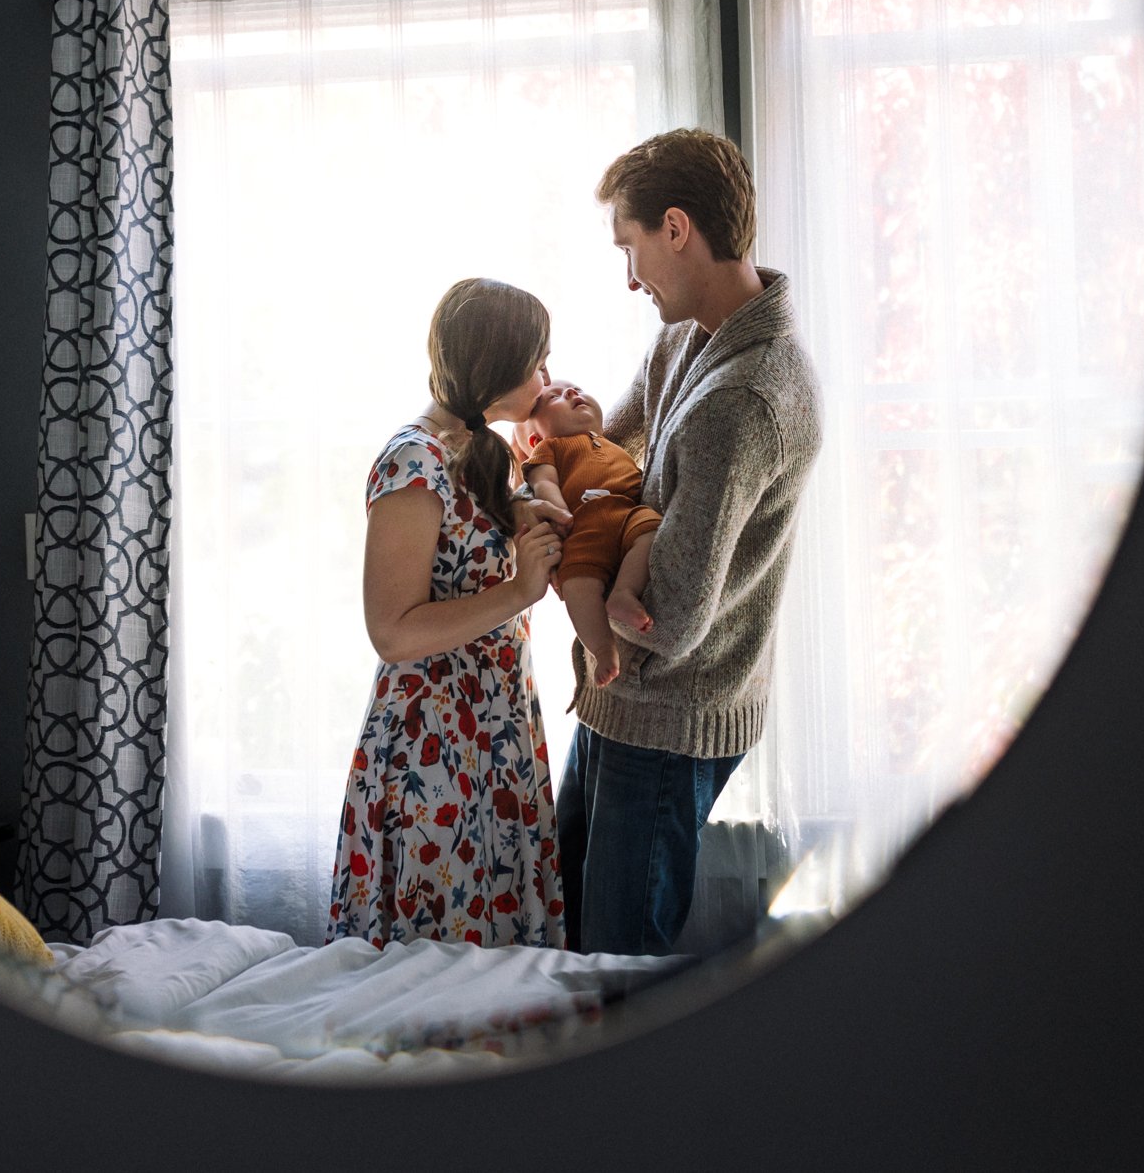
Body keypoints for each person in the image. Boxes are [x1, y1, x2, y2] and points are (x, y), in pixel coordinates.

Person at [555, 128, 819, 956]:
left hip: (666, 713)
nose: (629, 280)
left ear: (677, 227)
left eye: (630, 249)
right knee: (567, 932)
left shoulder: (746, 401)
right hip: (623, 699)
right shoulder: (687, 334)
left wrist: (570, 568)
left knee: (612, 969)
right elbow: (618, 444)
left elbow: (665, 618)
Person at [328, 277, 567, 948]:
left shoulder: (489, 454)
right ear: (495, 368)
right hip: (435, 751)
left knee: (500, 978)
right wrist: (516, 593)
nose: (548, 376)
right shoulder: (416, 461)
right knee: (437, 972)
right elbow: (393, 630)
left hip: (498, 732)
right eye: (537, 361)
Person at [519, 379, 659, 691]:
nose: (571, 393)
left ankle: (624, 592)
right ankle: (601, 647)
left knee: (651, 530)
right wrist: (560, 513)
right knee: (578, 583)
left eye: (577, 389)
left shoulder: (613, 445)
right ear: (534, 438)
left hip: (627, 514)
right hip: (583, 521)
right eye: (555, 396)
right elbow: (544, 485)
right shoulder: (549, 447)